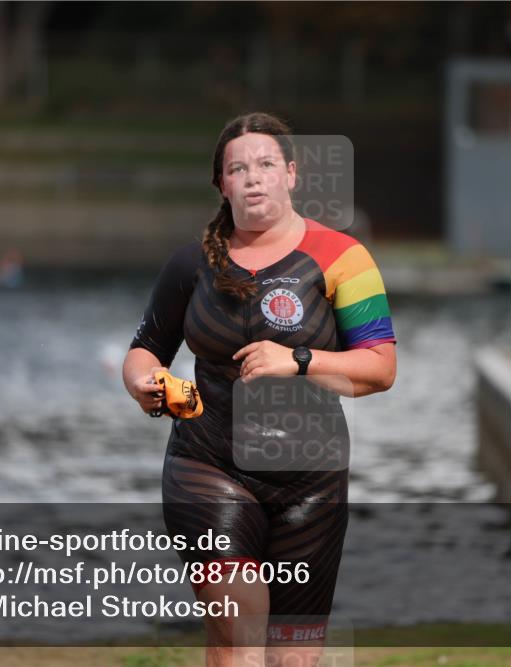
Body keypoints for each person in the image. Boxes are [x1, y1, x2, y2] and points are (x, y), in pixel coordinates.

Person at [122, 112, 397, 667]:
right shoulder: (190, 265)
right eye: (238, 168)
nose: (253, 177)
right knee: (240, 632)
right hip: (208, 464)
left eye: (266, 164)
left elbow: (380, 369)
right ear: (223, 184)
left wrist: (297, 360)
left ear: (291, 174)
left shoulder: (344, 257)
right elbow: (146, 347)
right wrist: (143, 381)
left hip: (311, 480)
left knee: (293, 657)